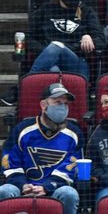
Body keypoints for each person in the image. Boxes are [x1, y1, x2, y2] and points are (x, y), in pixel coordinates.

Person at [0, 83, 82, 214]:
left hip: (55, 189)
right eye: (57, 102)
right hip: (23, 187)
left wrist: (47, 187)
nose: (63, 107)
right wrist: (22, 185)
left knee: (69, 193)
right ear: (43, 105)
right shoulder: (22, 129)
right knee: (4, 190)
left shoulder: (74, 133)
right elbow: (9, 161)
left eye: (65, 103)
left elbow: (71, 167)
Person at [26, 0, 103, 81]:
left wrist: (87, 37)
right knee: (53, 70)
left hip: (77, 64)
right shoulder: (45, 11)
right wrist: (48, 52)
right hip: (49, 60)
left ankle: (25, 85)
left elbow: (101, 41)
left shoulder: (87, 11)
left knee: (56, 46)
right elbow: (29, 39)